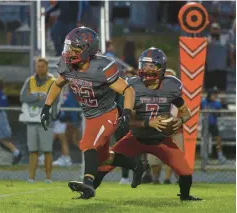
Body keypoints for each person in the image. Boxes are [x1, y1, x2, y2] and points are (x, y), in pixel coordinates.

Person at [40, 26, 148, 199]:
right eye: (69, 47)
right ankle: (136, 165)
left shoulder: (101, 67)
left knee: (87, 144)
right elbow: (58, 83)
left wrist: (127, 112)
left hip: (108, 113)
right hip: (90, 116)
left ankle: (88, 184)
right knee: (104, 158)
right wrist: (47, 106)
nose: (70, 52)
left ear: (87, 49)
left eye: (75, 48)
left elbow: (128, 90)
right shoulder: (68, 65)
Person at [94, 47, 202, 201]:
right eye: (144, 65)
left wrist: (180, 120)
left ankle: (185, 197)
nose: (146, 69)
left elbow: (186, 113)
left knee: (185, 171)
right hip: (135, 138)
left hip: (161, 140)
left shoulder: (171, 86)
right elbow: (128, 120)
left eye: (151, 66)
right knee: (105, 163)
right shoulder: (132, 86)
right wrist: (148, 123)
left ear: (161, 67)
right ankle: (89, 189)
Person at [20, 57, 58, 183]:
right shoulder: (29, 81)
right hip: (31, 120)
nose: (39, 68)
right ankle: (31, 178)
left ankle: (48, 178)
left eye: (42, 66)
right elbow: (23, 97)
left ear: (47, 67)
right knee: (33, 150)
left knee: (48, 150)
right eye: (38, 66)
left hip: (46, 121)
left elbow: (53, 99)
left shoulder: (53, 81)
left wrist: (35, 98)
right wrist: (39, 97)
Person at [201, 88, 227, 164]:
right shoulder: (203, 102)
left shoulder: (217, 103)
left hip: (213, 124)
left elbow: (219, 114)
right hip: (205, 124)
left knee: (218, 139)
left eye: (216, 94)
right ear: (209, 95)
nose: (216, 95)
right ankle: (205, 157)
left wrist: (216, 113)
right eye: (214, 94)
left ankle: (220, 156)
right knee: (205, 140)